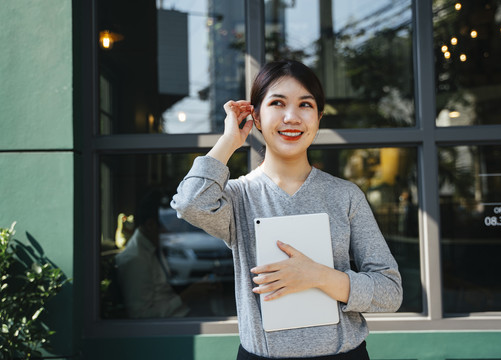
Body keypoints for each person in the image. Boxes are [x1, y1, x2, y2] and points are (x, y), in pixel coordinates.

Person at [171, 60, 402, 359]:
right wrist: (229, 140)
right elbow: (190, 202)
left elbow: (390, 292)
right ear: (255, 114)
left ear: (318, 117)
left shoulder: (345, 196)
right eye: (277, 103)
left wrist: (318, 276)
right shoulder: (238, 197)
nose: (292, 117)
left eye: (305, 105)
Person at [116, 190, 191, 318]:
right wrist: (186, 297)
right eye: (170, 228)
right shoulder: (136, 259)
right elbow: (141, 315)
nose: (175, 235)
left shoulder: (154, 246)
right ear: (151, 225)